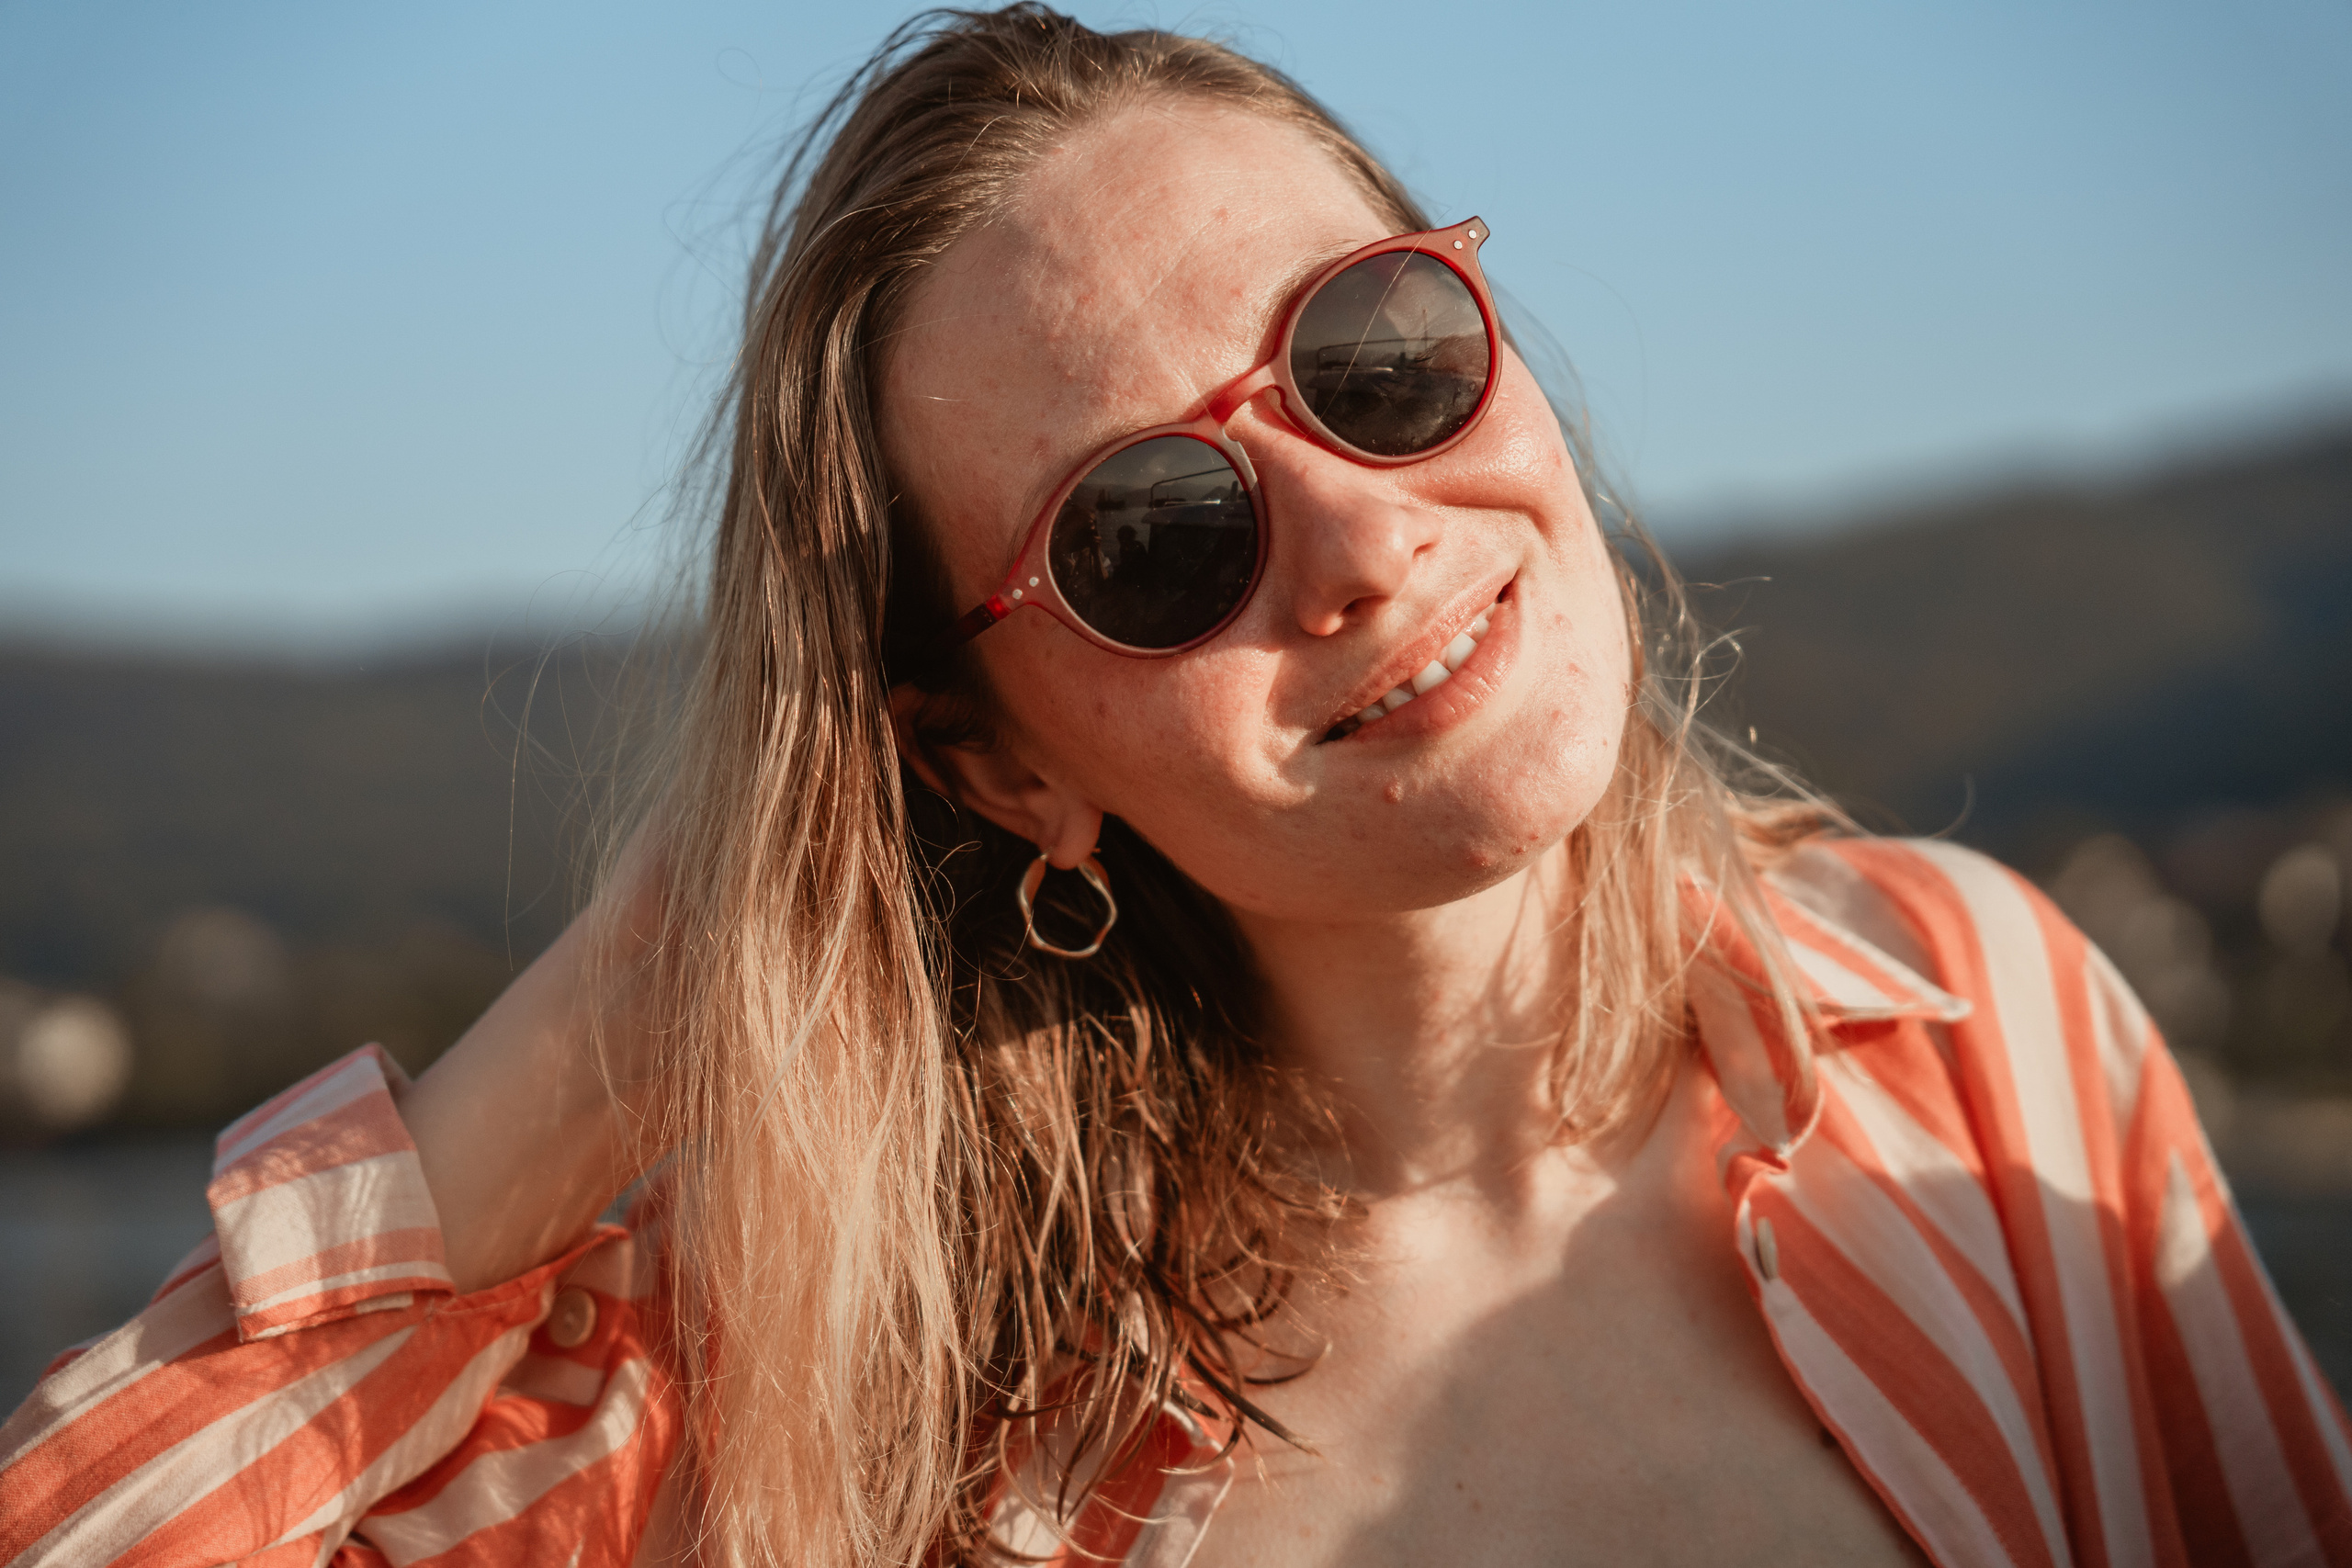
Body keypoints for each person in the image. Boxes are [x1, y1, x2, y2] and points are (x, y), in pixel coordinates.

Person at [4, 7, 2347, 1565]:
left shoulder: (1969, 1017)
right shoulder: (814, 1386)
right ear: (992, 752)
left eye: (1379, 350)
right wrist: (636, 993)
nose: (1356, 534)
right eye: (1153, 534)